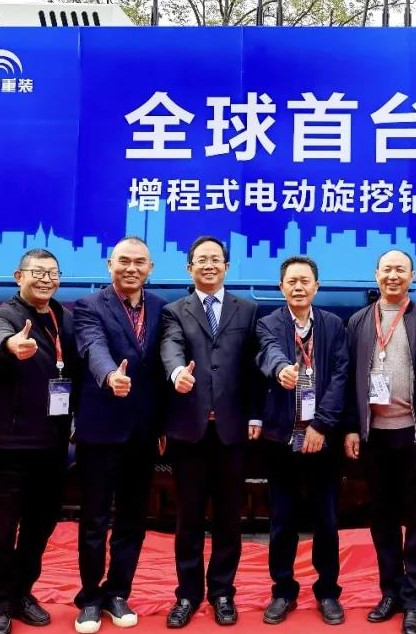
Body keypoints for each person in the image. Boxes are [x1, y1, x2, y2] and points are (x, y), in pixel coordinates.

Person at [343, 250, 416, 634]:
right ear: (376, 274)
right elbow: (348, 377)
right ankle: (390, 591)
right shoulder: (359, 321)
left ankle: (415, 601)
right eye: (387, 269)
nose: (393, 276)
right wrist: (351, 428)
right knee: (383, 519)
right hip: (375, 435)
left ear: (412, 276)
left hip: (415, 435)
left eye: (400, 270)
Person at [160, 236, 264, 629]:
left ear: (226, 266)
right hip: (190, 431)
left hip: (232, 432)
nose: (208, 265)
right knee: (188, 518)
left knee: (228, 518)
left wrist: (255, 415)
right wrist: (176, 373)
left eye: (215, 259)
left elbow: (254, 368)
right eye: (201, 259)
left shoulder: (248, 309)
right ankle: (187, 594)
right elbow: (170, 347)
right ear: (189, 268)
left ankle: (222, 592)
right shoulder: (174, 311)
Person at [0, 249, 79, 634]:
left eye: (53, 273)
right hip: (10, 446)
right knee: (2, 530)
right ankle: (0, 603)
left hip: (52, 445)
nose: (46, 279)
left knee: (40, 525)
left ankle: (22, 592)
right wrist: (11, 345)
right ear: (18, 275)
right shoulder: (3, 315)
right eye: (37, 272)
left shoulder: (61, 317)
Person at [72, 237, 167, 634]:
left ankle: (118, 592)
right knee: (95, 518)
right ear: (109, 264)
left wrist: (163, 424)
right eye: (123, 261)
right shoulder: (89, 306)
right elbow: (92, 347)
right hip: (101, 429)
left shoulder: (161, 307)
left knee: (132, 518)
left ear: (150, 268)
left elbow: (163, 365)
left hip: (143, 433)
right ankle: (90, 597)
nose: (131, 268)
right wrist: (110, 375)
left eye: (139, 262)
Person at [255, 256, 349, 626]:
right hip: (281, 438)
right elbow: (268, 353)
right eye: (291, 281)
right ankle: (283, 590)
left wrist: (321, 425)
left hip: (322, 439)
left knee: (327, 519)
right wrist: (281, 369)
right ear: (281, 287)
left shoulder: (333, 325)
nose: (298, 287)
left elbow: (341, 376)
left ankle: (327, 591)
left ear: (316, 286)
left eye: (305, 281)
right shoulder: (268, 323)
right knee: (282, 519)